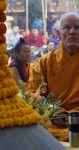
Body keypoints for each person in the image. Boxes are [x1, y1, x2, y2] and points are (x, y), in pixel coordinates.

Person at [27, 12, 79, 140]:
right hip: (52, 121)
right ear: (58, 33)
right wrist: (53, 112)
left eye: (77, 28)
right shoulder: (45, 62)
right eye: (67, 27)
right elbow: (33, 94)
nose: (73, 31)